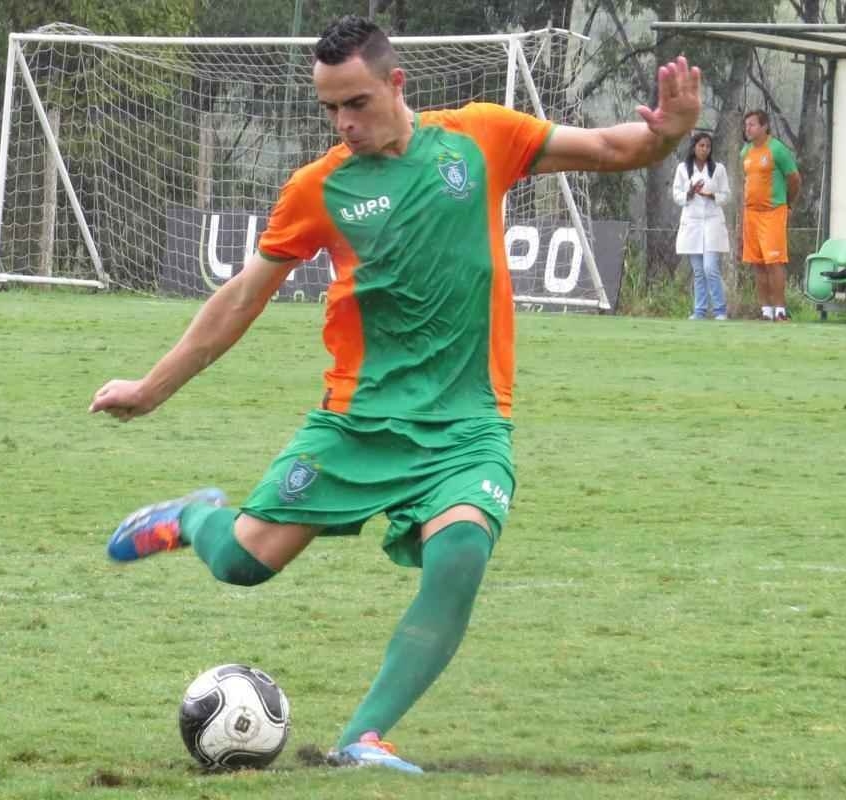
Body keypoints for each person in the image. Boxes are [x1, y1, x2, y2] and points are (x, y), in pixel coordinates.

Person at [89, 15, 701, 774]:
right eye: (329, 109)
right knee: (245, 564)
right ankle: (189, 517)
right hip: (358, 422)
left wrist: (670, 130)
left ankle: (364, 737)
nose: (343, 123)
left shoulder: (480, 137)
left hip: (468, 423)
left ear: (396, 85)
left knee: (461, 551)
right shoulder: (318, 189)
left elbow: (616, 148)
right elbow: (241, 298)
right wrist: (151, 389)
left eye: (356, 103)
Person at [740, 110, 801, 321]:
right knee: (757, 262)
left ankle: (780, 310)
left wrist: (787, 204)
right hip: (751, 214)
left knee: (774, 262)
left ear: (764, 126)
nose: (748, 128)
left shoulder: (777, 150)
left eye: (752, 125)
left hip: (772, 213)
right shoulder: (745, 151)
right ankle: (765, 310)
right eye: (746, 125)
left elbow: (794, 179)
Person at [673, 132, 731, 320]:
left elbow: (726, 194)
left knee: (710, 268)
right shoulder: (683, 168)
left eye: (708, 146)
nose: (705, 149)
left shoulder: (718, 169)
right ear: (693, 147)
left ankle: (720, 310)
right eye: (701, 146)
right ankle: (699, 310)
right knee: (698, 271)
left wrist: (711, 196)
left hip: (713, 221)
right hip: (692, 223)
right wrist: (689, 193)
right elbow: (677, 194)